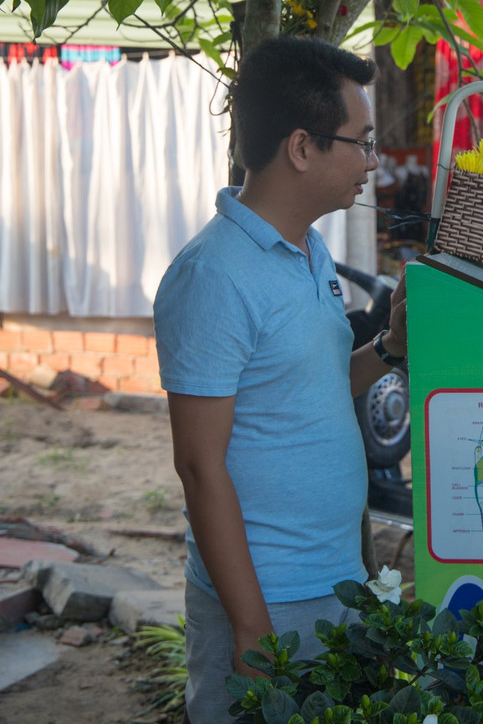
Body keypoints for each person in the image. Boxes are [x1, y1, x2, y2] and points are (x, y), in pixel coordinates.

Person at [153, 36, 407, 723]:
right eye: (361, 142)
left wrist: (389, 347)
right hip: (265, 598)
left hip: (334, 582)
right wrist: (249, 625)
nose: (373, 162)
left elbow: (315, 386)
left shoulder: (307, 246)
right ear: (302, 147)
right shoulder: (213, 276)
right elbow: (200, 467)